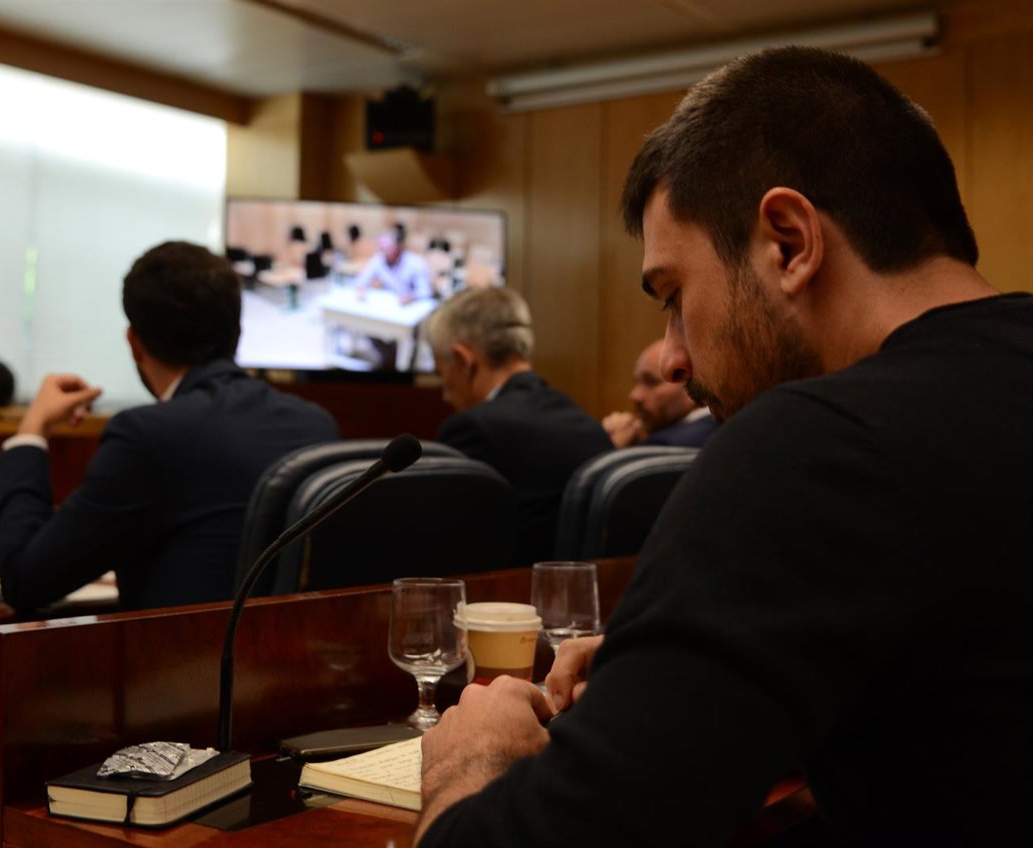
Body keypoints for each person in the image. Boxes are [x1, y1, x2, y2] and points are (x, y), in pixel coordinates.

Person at [416, 47, 1031, 846]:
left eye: (674, 296)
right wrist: (694, 684)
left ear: (789, 242)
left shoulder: (815, 442)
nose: (674, 359)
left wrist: (470, 758)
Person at [0, 241, 339, 613]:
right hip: (296, 650)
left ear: (134, 342)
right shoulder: (316, 426)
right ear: (237, 332)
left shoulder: (147, 436)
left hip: (183, 651)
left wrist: (31, 432)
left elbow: (25, 580)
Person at [426, 286, 612, 565]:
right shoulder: (588, 425)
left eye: (442, 374)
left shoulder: (472, 430)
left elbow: (441, 548)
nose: (445, 395)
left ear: (464, 360)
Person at [601, 339, 716, 447]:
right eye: (636, 382)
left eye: (651, 382)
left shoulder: (665, 444)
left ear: (693, 383)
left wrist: (611, 447)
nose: (634, 395)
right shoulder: (716, 430)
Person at [353, 229, 433, 305]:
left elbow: (425, 292)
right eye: (381, 249)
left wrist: (411, 297)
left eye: (388, 249)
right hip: (390, 304)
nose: (384, 253)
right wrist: (361, 289)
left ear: (398, 246)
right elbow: (362, 280)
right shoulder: (379, 259)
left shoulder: (416, 262)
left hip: (412, 306)